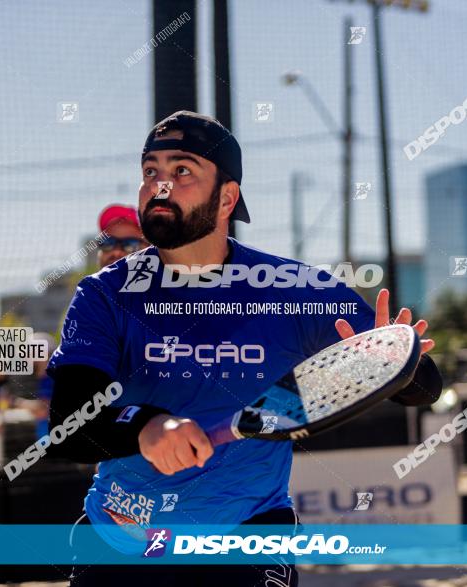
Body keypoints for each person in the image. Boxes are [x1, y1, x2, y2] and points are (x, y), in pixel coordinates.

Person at [47, 111, 443, 586]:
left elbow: (424, 387)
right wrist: (147, 426)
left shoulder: (299, 291)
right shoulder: (104, 293)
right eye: (150, 171)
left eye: (182, 171)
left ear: (227, 197)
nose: (160, 186)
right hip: (118, 542)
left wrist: (395, 361)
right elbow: (68, 424)